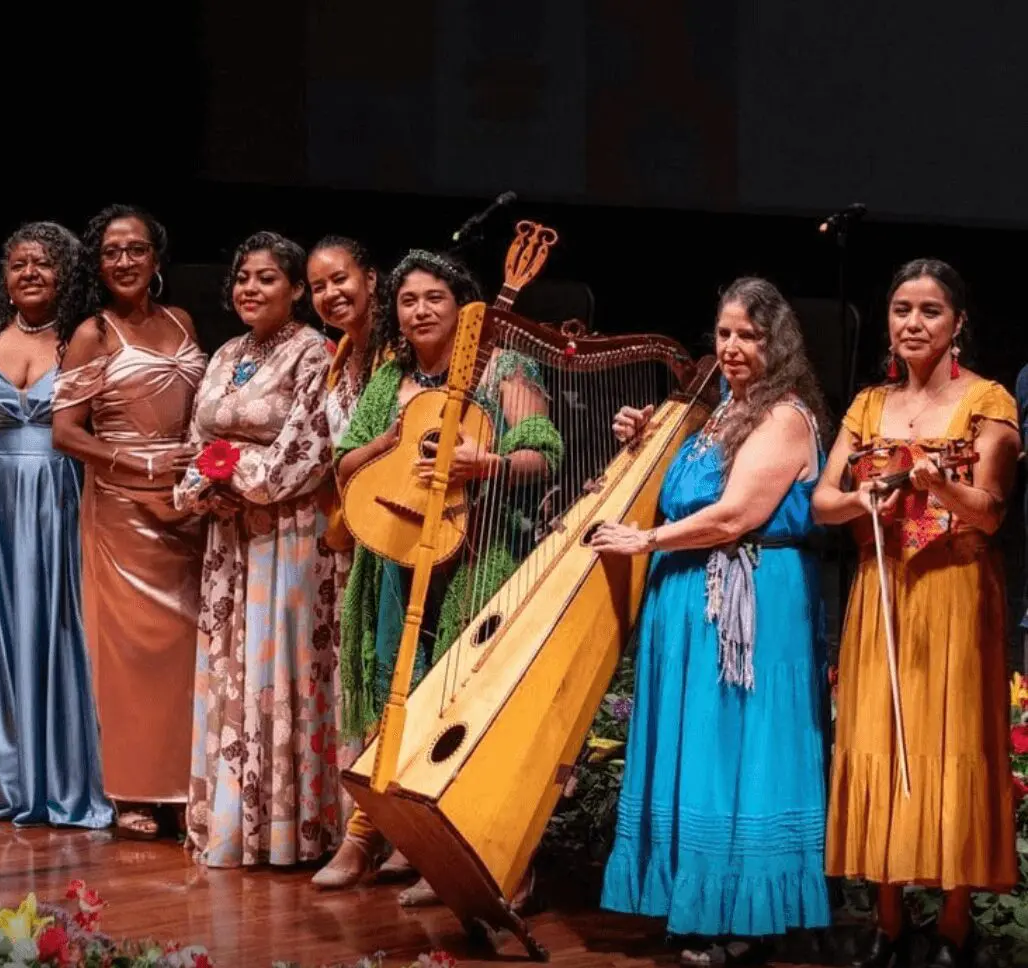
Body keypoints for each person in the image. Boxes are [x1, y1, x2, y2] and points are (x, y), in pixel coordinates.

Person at [590, 278, 832, 966]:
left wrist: (645, 542)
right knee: (698, 745)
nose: (731, 347)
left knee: (738, 747)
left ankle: (748, 915)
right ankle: (695, 902)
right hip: (687, 601)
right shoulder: (717, 415)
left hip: (752, 600)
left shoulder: (783, 417)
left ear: (777, 342)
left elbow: (734, 517)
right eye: (723, 333)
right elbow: (682, 491)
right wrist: (643, 438)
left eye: (748, 335)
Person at [332, 250, 562, 905]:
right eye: (408, 300)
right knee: (393, 688)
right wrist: (399, 439)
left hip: (476, 555)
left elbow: (543, 454)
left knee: (458, 701)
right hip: (396, 550)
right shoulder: (391, 377)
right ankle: (376, 832)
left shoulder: (503, 368)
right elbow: (345, 461)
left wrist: (483, 463)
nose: (420, 310)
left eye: (434, 297)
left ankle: (457, 845)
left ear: (465, 306)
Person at [817, 259, 1018, 967]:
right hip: (882, 585)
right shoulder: (868, 405)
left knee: (953, 740)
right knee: (880, 734)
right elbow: (823, 500)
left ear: (958, 323)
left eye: (930, 311)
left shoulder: (988, 402)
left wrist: (939, 487)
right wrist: (866, 499)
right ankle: (890, 916)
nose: (912, 323)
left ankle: (957, 921)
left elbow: (990, 513)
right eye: (902, 309)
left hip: (955, 587)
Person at [0, 222, 112, 828]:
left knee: (55, 630)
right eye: (18, 264)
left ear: (67, 274)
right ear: (4, 278)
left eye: (44, 263)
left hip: (60, 496)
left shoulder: (85, 341)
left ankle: (60, 778)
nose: (30, 273)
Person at [173, 231, 339, 868]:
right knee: (230, 668)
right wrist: (202, 490)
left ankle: (285, 828)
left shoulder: (313, 354)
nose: (250, 288)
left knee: (277, 667)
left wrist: (234, 479)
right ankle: (230, 820)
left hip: (287, 532)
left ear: (297, 290)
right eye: (243, 276)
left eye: (267, 278)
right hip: (230, 536)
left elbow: (306, 450)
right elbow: (197, 441)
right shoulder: (224, 354)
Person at [52, 205, 206, 839]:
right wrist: (132, 457)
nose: (123, 261)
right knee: (130, 657)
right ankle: (131, 789)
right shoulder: (94, 332)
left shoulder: (182, 320)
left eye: (135, 249)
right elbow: (64, 431)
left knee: (186, 652)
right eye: (111, 252)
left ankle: (181, 784)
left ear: (155, 258)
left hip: (185, 508)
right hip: (120, 510)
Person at [302, 234, 384, 888]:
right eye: (319, 286)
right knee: (358, 686)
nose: (330, 294)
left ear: (373, 279)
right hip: (352, 538)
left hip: (399, 534)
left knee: (388, 685)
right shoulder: (338, 359)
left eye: (341, 279)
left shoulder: (397, 356)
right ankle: (364, 830)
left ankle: (384, 833)